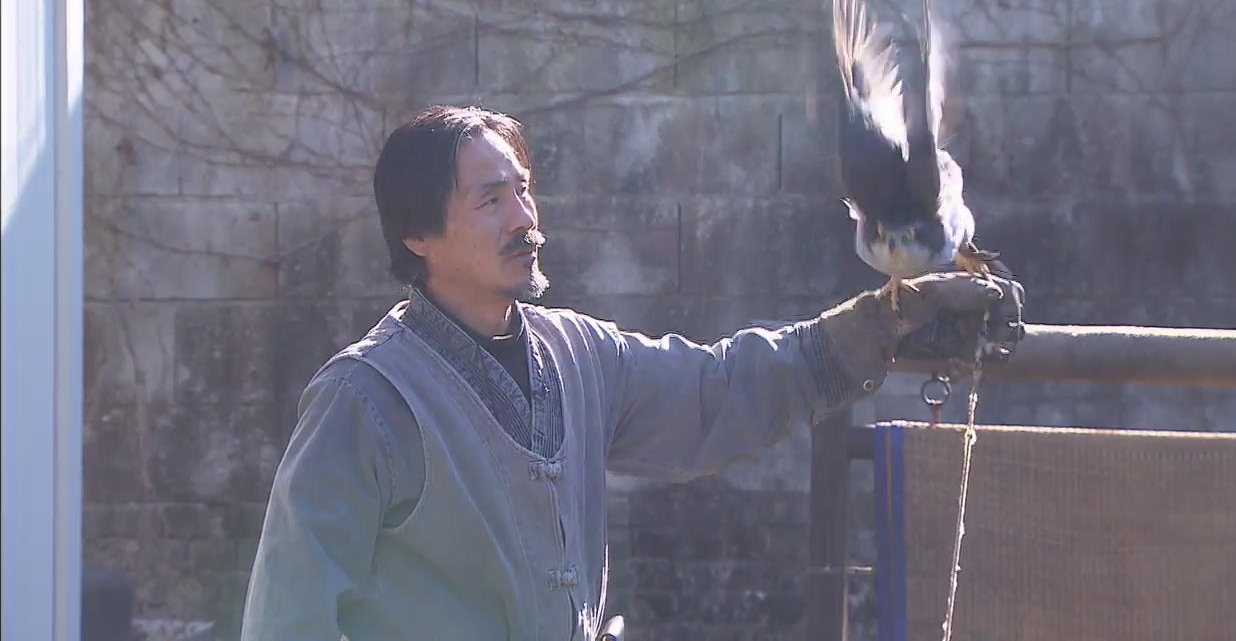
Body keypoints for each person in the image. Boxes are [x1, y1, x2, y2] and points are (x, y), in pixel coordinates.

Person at [240, 104, 1024, 640]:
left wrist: (883, 321)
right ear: (417, 234)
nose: (524, 219)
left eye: (523, 191)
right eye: (490, 200)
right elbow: (289, 616)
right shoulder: (367, 399)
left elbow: (720, 392)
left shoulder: (580, 356)